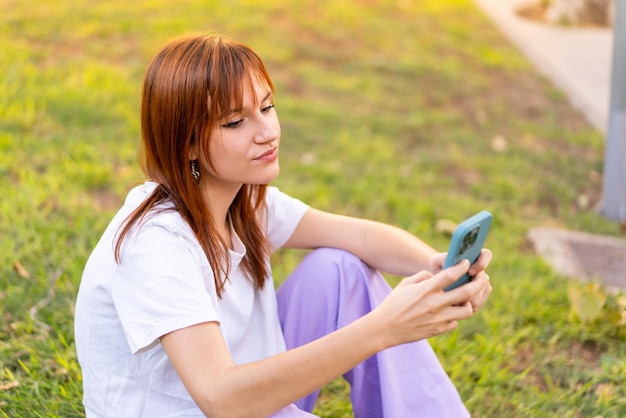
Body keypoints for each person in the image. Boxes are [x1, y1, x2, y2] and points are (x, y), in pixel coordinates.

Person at [74, 33, 493, 418]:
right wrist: (384, 328)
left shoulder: (243, 201)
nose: (267, 132)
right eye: (235, 122)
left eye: (267, 106)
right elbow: (220, 396)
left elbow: (362, 236)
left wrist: (440, 267)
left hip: (250, 394)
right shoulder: (155, 245)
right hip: (221, 404)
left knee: (340, 270)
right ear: (186, 144)